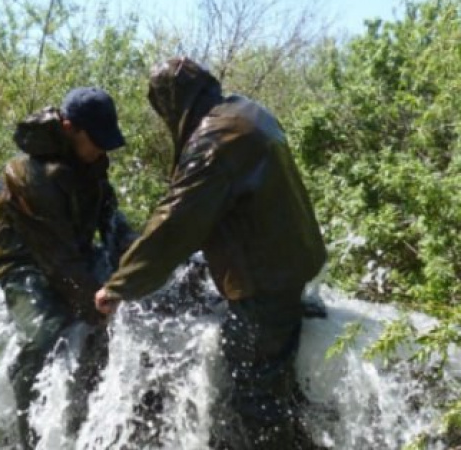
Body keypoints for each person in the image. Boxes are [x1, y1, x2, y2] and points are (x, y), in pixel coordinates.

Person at [94, 57, 327, 449]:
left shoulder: (215, 139)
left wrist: (120, 285)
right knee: (270, 381)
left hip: (263, 283)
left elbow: (176, 221)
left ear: (173, 102)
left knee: (255, 398)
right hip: (290, 266)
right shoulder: (248, 112)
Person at [0, 87, 137, 449]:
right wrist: (97, 303)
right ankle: (28, 438)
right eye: (96, 140)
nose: (102, 149)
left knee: (124, 317)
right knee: (46, 336)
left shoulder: (90, 162)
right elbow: (58, 262)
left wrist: (145, 260)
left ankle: (94, 423)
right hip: (25, 263)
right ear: (69, 128)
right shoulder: (24, 175)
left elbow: (113, 223)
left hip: (73, 252)